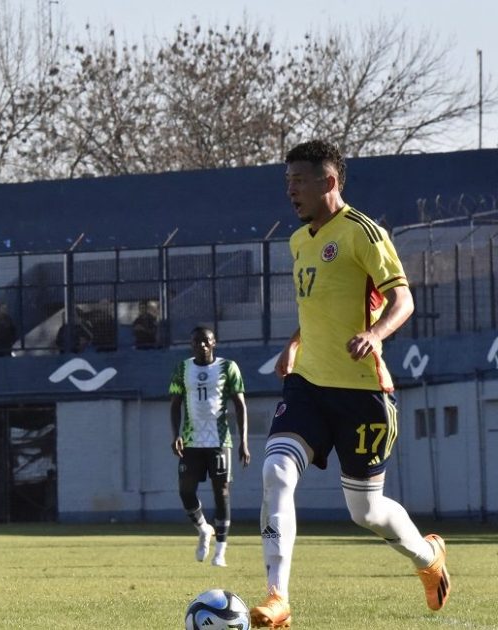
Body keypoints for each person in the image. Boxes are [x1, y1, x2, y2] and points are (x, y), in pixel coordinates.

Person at [250, 140, 450, 627]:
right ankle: (278, 600)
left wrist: (375, 334)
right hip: (307, 385)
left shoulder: (364, 232)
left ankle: (428, 558)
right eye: (287, 181)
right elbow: (318, 305)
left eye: (300, 180)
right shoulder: (298, 241)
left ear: (329, 182)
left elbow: (403, 300)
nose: (291, 190)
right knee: (276, 473)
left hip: (362, 394)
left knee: (366, 511)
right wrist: (294, 344)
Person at [169, 326, 249, 568]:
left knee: (221, 493)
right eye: (196, 342)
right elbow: (175, 404)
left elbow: (240, 405)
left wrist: (243, 441)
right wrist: (175, 435)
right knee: (185, 490)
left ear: (214, 342)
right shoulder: (183, 368)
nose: (201, 346)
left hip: (219, 441)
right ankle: (204, 529)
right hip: (192, 441)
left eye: (206, 341)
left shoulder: (228, 367)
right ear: (191, 345)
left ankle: (220, 553)